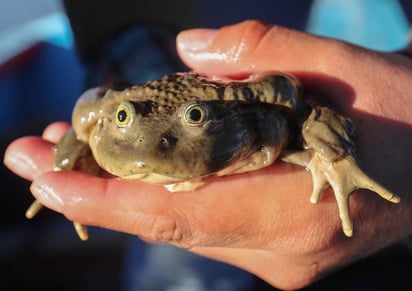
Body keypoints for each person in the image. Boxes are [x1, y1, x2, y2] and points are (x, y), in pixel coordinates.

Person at [4, 20, 412, 290]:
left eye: (197, 118)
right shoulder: (112, 113)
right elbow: (83, 121)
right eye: (123, 118)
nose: (150, 151)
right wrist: (67, 163)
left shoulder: (263, 114)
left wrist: (338, 159)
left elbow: (306, 109)